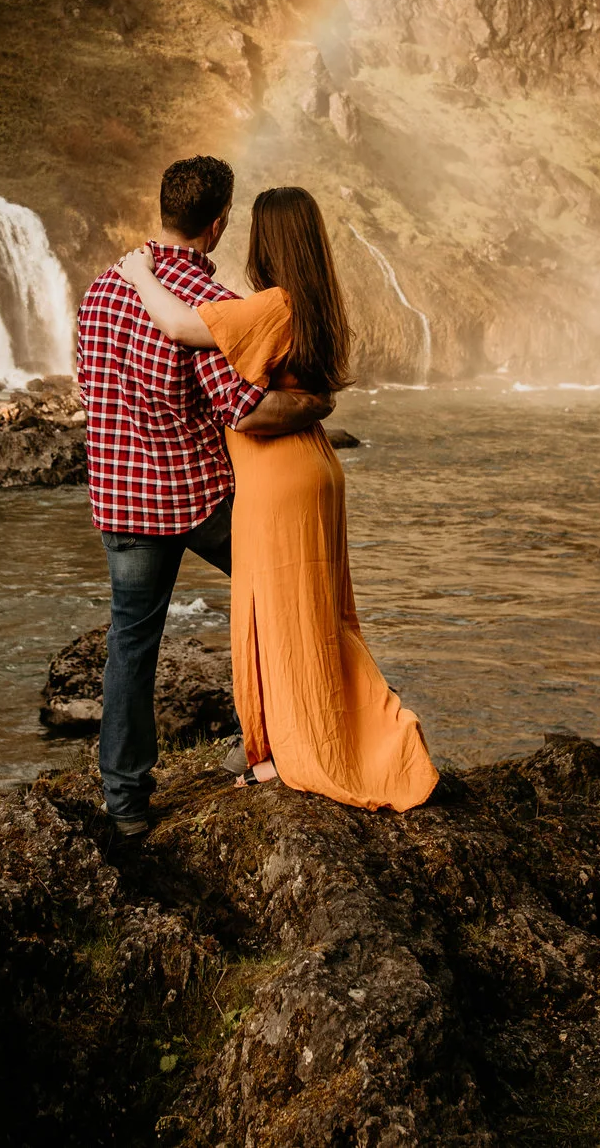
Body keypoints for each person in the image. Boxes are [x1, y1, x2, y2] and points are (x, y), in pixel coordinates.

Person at [117, 184, 437, 812]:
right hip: (313, 468)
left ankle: (314, 748)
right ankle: (280, 746)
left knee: (279, 619)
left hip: (275, 480)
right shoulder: (315, 304)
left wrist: (139, 273)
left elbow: (179, 326)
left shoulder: (270, 305)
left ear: (267, 239)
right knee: (312, 615)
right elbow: (308, 392)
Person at [75, 156, 336, 836]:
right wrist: (313, 405)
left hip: (121, 497)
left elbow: (89, 386)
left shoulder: (102, 289)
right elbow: (243, 410)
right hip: (198, 496)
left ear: (163, 210)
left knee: (130, 642)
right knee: (275, 595)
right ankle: (283, 744)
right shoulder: (207, 302)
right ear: (217, 223)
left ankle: (126, 803)